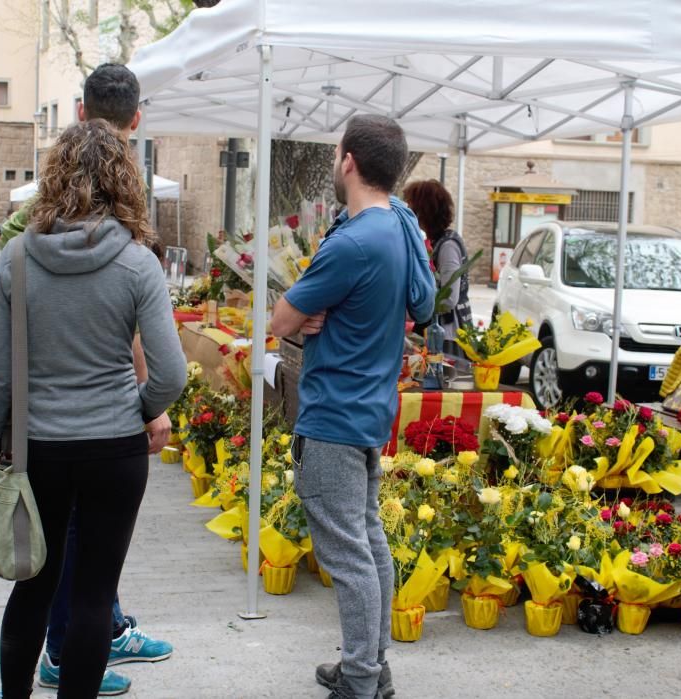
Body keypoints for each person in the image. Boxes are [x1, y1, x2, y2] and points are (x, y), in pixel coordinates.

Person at [0, 119, 185, 699]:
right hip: (114, 451)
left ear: (55, 178)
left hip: (38, 448)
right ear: (124, 182)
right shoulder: (139, 262)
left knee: (33, 587)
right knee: (94, 594)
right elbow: (171, 372)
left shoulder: (16, 258)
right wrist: (136, 411)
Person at [271, 115, 435, 699]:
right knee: (367, 541)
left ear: (348, 162)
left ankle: (362, 680)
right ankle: (372, 664)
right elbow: (422, 303)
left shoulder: (354, 241)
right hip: (369, 410)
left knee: (348, 556)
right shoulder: (402, 225)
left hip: (335, 414)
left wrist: (315, 314)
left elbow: (282, 319)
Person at [402, 179, 473, 340]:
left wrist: (411, 310)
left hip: (447, 334)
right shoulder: (438, 241)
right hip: (438, 329)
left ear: (424, 211)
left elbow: (448, 298)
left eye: (412, 208)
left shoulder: (447, 246)